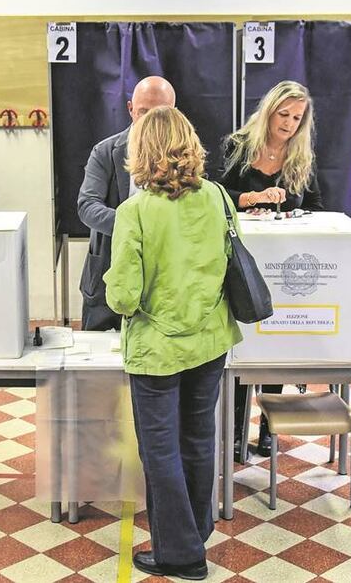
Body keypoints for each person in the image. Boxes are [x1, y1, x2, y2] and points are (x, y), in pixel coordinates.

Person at [104, 106, 242, 580]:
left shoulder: (135, 211)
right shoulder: (218, 197)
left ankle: (181, 555)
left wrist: (114, 284)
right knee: (199, 438)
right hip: (210, 340)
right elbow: (228, 261)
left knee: (160, 449)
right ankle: (196, 531)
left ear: (142, 151)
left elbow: (123, 297)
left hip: (157, 350)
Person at [217, 80, 324, 459]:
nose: (290, 124)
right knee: (244, 346)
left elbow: (316, 205)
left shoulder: (302, 156)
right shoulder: (238, 146)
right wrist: (253, 198)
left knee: (275, 346)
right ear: (269, 111)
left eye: (297, 118)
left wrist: (294, 213)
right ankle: (233, 429)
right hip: (242, 262)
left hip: (283, 266)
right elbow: (215, 195)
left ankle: (268, 427)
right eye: (284, 114)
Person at [78, 75, 177, 331]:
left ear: (173, 113)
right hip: (107, 273)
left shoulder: (183, 157)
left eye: (159, 113)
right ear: (130, 108)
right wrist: (135, 227)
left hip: (162, 277)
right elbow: (87, 207)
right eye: (143, 111)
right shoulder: (105, 151)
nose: (150, 120)